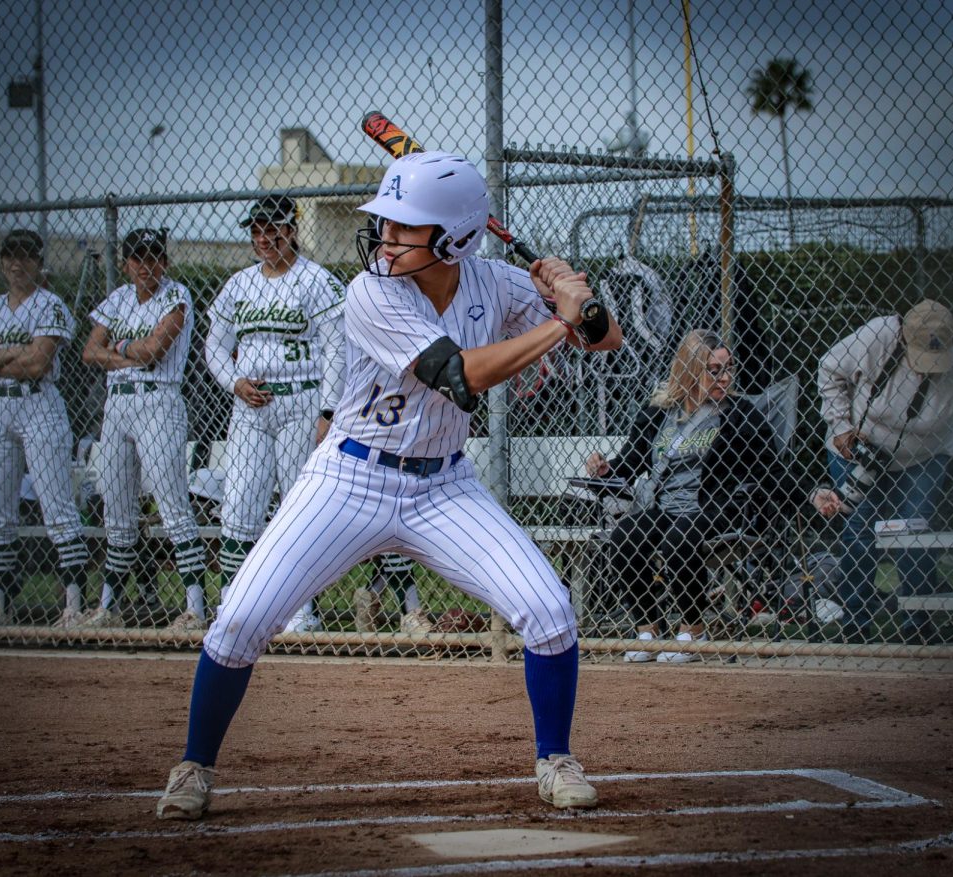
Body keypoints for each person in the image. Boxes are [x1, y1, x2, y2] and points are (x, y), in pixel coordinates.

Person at [155, 151, 622, 821]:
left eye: (405, 228)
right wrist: (561, 319)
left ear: (455, 238)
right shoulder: (369, 292)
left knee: (548, 610)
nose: (386, 238)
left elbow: (607, 341)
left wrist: (582, 301)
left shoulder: (493, 283)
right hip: (349, 477)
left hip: (443, 485)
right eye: (387, 224)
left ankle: (556, 757)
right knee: (241, 620)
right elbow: (460, 374)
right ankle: (193, 763)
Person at [811, 299, 953, 643]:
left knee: (915, 537)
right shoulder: (878, 336)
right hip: (859, 445)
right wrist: (840, 426)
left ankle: (918, 626)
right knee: (859, 535)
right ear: (905, 339)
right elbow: (829, 368)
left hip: (924, 456)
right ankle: (856, 627)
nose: (927, 368)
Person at [584, 330, 795, 663]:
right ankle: (648, 631)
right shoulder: (659, 412)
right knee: (624, 537)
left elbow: (771, 469)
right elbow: (629, 463)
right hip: (666, 507)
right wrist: (603, 469)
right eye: (714, 369)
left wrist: (807, 496)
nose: (725, 377)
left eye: (729, 368)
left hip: (715, 506)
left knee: (677, 540)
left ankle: (693, 632)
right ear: (690, 369)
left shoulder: (739, 414)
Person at [203, 195, 346, 631]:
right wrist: (234, 382)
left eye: (273, 229)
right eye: (257, 230)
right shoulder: (239, 283)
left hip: (300, 401)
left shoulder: (315, 280)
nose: (264, 238)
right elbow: (214, 346)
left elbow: (337, 349)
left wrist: (328, 410)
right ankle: (233, 605)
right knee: (239, 503)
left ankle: (300, 611)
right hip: (250, 405)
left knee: (294, 507)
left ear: (292, 230)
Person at [0, 229, 88, 626]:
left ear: (38, 262)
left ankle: (74, 605)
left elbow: (38, 364)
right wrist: (16, 350)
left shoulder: (50, 305)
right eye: (11, 256)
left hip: (40, 405)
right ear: (2, 262)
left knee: (58, 509)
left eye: (26, 257)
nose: (18, 264)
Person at [80, 228, 207, 631]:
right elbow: (88, 351)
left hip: (159, 402)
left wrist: (117, 349)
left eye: (153, 257)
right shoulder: (116, 299)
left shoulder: (176, 295)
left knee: (173, 508)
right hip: (117, 405)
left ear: (164, 261)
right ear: (126, 262)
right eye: (137, 258)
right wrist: (128, 353)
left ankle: (195, 609)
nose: (145, 265)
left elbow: (155, 352)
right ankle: (108, 607)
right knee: (116, 511)